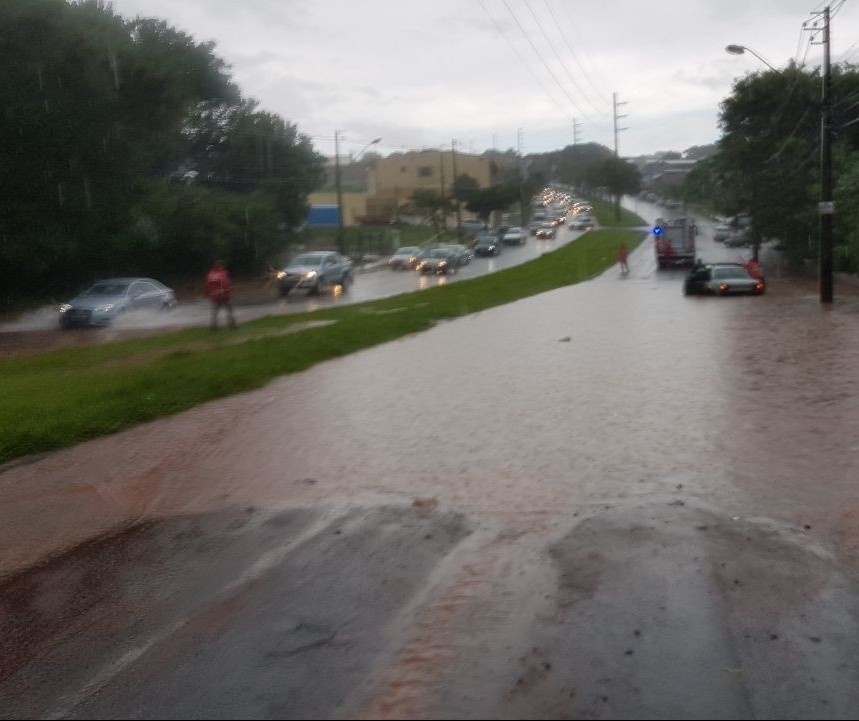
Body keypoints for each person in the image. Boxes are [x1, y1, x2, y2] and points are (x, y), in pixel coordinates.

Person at [205, 260, 236, 329]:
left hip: (214, 296)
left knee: (214, 313)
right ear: (221, 266)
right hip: (224, 296)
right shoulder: (224, 273)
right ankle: (232, 325)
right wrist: (229, 291)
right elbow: (227, 283)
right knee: (229, 311)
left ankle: (213, 326)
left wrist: (208, 295)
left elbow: (206, 286)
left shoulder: (210, 275)